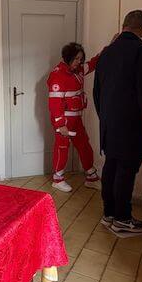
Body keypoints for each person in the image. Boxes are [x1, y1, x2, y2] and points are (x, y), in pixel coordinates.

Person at [94, 10, 142, 233]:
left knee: (111, 166)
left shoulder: (106, 53)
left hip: (108, 123)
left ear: (123, 26)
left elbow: (97, 92)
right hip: (132, 124)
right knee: (126, 170)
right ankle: (122, 217)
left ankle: (109, 213)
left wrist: (104, 117)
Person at [47, 42, 101, 192]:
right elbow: (55, 103)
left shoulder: (78, 71)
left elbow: (94, 63)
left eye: (81, 59)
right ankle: (57, 179)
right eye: (76, 59)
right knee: (62, 147)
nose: (79, 62)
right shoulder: (58, 75)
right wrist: (60, 124)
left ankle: (91, 176)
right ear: (68, 58)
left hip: (76, 118)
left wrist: (111, 45)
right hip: (64, 120)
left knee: (84, 144)